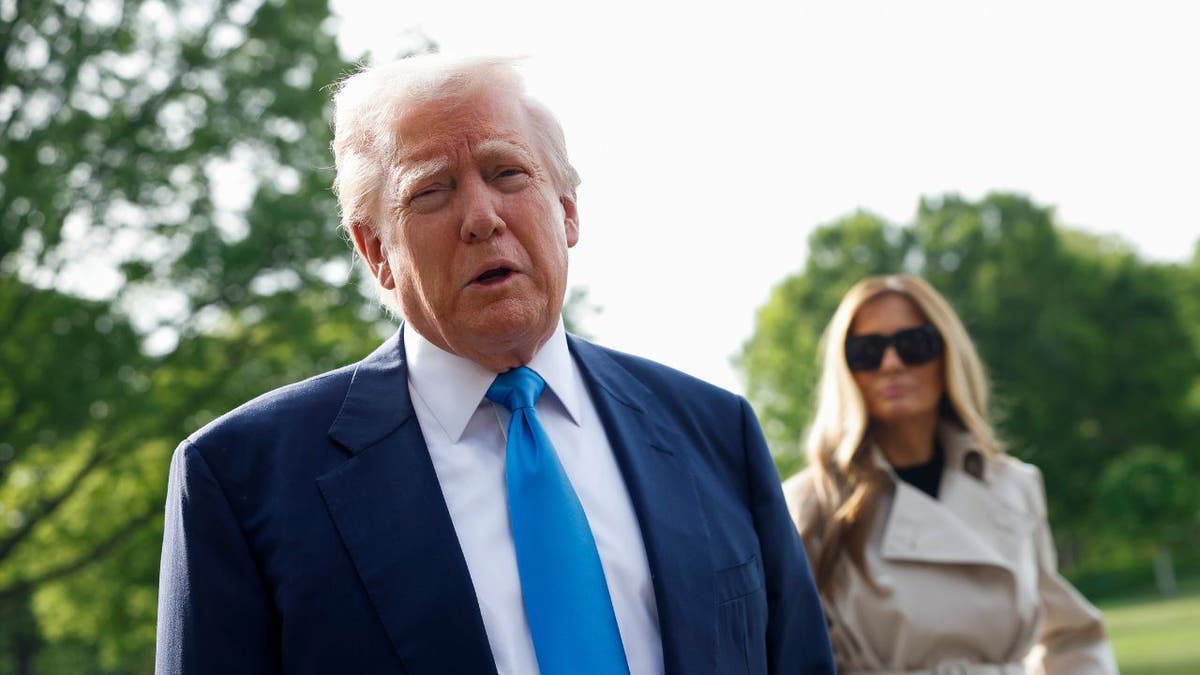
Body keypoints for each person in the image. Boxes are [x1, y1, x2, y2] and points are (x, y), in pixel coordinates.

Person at [155, 55, 834, 675]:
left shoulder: (715, 432)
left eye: (507, 173)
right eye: (431, 191)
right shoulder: (243, 478)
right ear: (376, 252)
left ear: (568, 210)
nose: (481, 217)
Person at [782, 274, 1117, 674]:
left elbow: (1072, 635)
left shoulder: (1013, 485)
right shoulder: (810, 505)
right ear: (846, 370)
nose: (891, 364)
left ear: (948, 354)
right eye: (867, 352)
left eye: (913, 344)